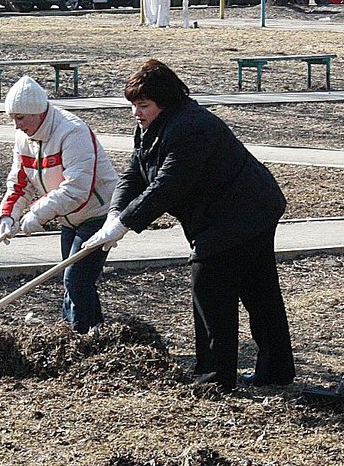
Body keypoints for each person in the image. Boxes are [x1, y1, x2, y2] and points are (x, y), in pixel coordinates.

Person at [83, 58, 295, 391]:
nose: (136, 113)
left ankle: (214, 378)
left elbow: (168, 186)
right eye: (134, 106)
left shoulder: (190, 127)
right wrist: (114, 214)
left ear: (164, 103)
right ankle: (276, 371)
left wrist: (125, 224)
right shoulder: (152, 127)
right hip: (236, 211)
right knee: (258, 289)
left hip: (239, 212)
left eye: (143, 105)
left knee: (212, 287)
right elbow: (135, 173)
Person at [0, 76, 119, 332]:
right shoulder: (24, 138)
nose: (17, 125)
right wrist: (8, 215)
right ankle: (93, 331)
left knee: (75, 279)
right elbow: (20, 182)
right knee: (75, 281)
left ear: (37, 112)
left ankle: (80, 335)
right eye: (13, 119)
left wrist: (36, 214)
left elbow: (76, 189)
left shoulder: (72, 132)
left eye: (21, 118)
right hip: (68, 216)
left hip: (97, 213)